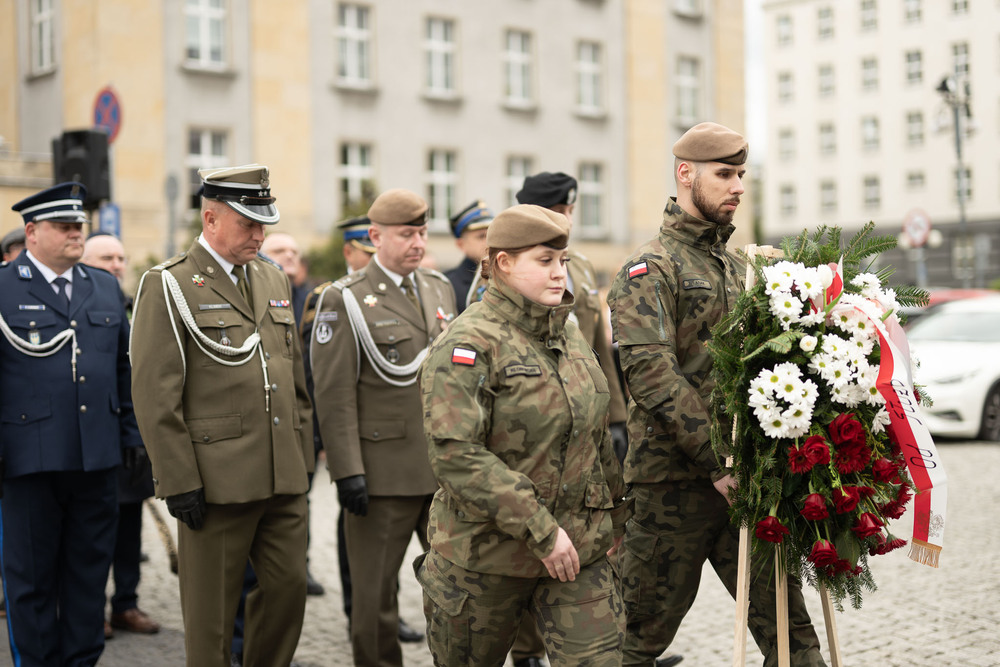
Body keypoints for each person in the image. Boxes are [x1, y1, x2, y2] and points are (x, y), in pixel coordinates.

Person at [607, 122, 826, 667]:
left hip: (745, 487)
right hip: (671, 489)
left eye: (742, 175)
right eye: (724, 174)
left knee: (791, 634)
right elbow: (652, 374)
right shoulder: (649, 267)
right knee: (636, 639)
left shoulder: (736, 266)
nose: (738, 187)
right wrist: (717, 460)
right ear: (686, 174)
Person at [415, 204, 628, 666]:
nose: (559, 274)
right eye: (544, 261)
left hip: (577, 554)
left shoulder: (569, 336)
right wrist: (541, 531)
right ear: (503, 263)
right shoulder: (468, 343)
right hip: (485, 559)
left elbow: (592, 438)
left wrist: (617, 517)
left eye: (563, 261)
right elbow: (457, 455)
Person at [129, 164, 315, 667]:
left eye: (264, 223)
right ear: (210, 219)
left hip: (282, 474)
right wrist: (178, 479)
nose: (260, 234)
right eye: (247, 223)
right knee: (210, 622)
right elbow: (154, 394)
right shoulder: (170, 285)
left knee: (288, 591)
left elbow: (292, 375)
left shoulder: (272, 276)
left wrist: (304, 455)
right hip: (215, 481)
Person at [309, 189, 456, 667]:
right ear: (374, 237)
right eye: (405, 234)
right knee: (375, 602)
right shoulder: (344, 299)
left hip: (442, 473)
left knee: (461, 591)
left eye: (421, 232)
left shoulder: (437, 287)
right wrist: (347, 470)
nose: (417, 242)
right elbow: (333, 392)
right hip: (381, 474)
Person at [1, 182, 143, 665]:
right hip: (28, 461)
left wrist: (131, 436)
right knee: (32, 583)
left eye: (79, 225)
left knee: (88, 577)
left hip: (96, 459)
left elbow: (124, 368)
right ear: (32, 232)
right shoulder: (4, 287)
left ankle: (82, 660)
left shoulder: (102, 286)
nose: (75, 234)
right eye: (64, 227)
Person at [515, 173, 629, 464]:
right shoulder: (513, 269)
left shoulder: (580, 266)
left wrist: (616, 416)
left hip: (588, 408)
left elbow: (599, 349)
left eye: (570, 211)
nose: (567, 220)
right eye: (558, 212)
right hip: (535, 413)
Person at [80, 233, 161, 639]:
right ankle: (90, 609)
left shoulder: (133, 305)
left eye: (121, 257)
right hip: (93, 438)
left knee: (130, 530)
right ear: (84, 261)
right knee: (93, 533)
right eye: (106, 257)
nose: (116, 264)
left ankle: (126, 603)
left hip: (130, 436)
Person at [443, 200, 492, 313]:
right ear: (461, 245)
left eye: (491, 234)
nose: (488, 242)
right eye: (481, 236)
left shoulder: (507, 278)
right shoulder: (447, 285)